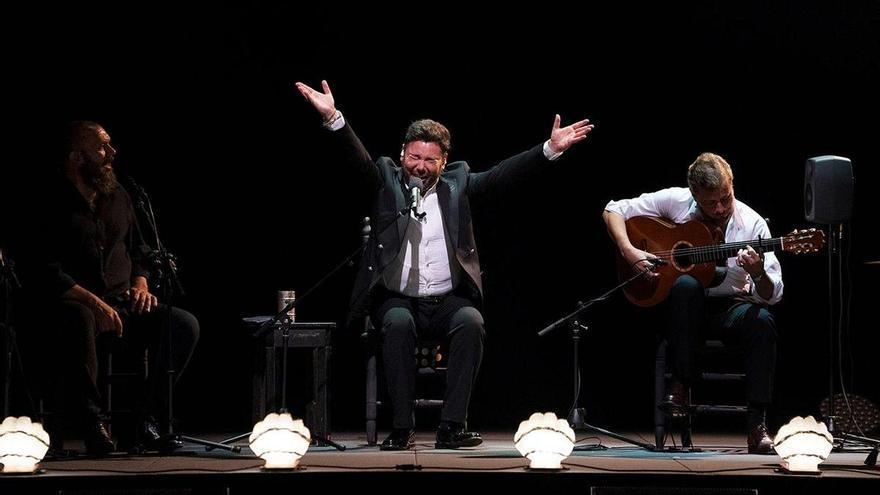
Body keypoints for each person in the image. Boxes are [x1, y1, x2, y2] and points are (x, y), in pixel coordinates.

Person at [296, 80, 594, 450]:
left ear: (443, 160)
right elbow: (357, 160)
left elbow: (504, 176)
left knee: (472, 322)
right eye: (414, 158)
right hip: (398, 298)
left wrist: (549, 149)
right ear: (403, 152)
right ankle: (402, 428)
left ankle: (452, 426)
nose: (420, 167)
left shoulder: (458, 184)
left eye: (430, 160)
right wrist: (334, 118)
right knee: (398, 324)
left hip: (448, 299)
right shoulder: (386, 179)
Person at [20, 121, 199, 455]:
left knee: (182, 324)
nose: (111, 154)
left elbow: (140, 251)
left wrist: (141, 284)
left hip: (121, 304)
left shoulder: (119, 196)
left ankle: (142, 420)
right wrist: (95, 304)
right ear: (76, 157)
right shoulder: (49, 201)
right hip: (70, 306)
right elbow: (43, 269)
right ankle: (92, 422)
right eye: (102, 147)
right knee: (80, 318)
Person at [602, 152, 782, 454]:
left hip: (729, 307)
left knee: (763, 321)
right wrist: (629, 250)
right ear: (694, 194)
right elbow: (613, 209)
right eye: (711, 202)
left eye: (726, 197)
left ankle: (756, 424)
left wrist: (758, 272)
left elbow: (773, 293)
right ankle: (681, 389)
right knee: (685, 284)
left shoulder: (753, 225)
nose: (721, 208)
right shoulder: (676, 201)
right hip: (680, 311)